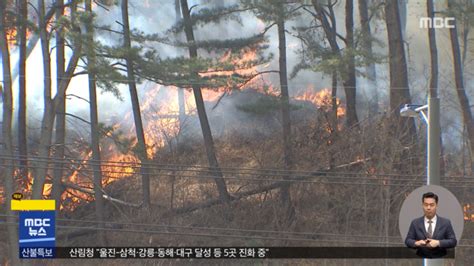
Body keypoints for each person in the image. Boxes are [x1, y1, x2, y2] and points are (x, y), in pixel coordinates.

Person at [405, 192, 457, 258]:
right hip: (420, 258)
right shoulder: (415, 223)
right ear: (422, 205)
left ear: (437, 205)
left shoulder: (446, 223)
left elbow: (453, 241)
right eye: (426, 205)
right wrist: (417, 243)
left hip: (441, 258)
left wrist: (438, 243)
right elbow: (408, 240)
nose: (428, 208)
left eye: (432, 205)